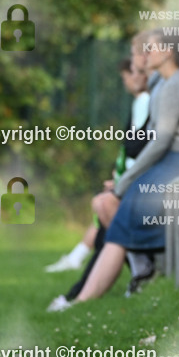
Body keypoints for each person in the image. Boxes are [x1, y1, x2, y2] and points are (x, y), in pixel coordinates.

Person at [50, 30, 179, 309]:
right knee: (119, 220)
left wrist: (125, 181)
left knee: (120, 217)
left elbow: (160, 141)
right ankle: (96, 290)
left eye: (151, 48)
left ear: (168, 52)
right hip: (171, 163)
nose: (144, 56)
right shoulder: (165, 82)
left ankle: (85, 296)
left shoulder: (176, 84)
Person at [45, 56, 149, 273]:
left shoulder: (146, 101)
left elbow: (138, 146)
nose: (125, 82)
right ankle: (83, 261)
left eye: (126, 76)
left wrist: (124, 179)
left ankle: (137, 268)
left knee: (104, 205)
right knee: (102, 206)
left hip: (139, 179)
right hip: (130, 174)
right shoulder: (139, 102)